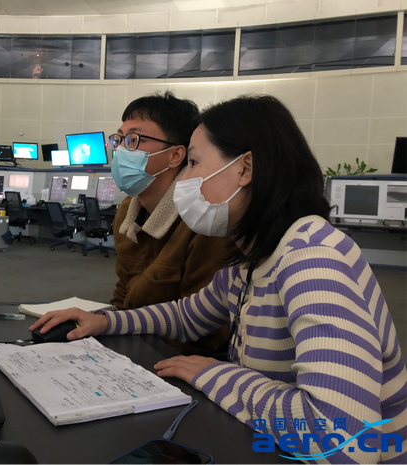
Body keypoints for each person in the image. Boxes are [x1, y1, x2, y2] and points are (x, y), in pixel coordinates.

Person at [31, 95, 406, 463]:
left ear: (245, 169)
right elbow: (186, 316)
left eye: (194, 163)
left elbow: (343, 442)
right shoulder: (250, 258)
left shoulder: (311, 257)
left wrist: (218, 375)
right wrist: (106, 321)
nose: (184, 179)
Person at [108, 92, 231, 354]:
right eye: (118, 140)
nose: (120, 150)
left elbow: (206, 326)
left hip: (176, 355)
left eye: (134, 140)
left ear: (175, 155)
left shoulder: (202, 219)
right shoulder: (127, 212)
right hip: (134, 342)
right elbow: (123, 295)